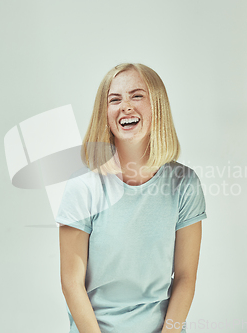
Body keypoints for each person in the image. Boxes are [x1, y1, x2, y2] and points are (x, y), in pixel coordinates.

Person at [56, 63, 207, 333]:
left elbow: (185, 278)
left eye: (137, 96)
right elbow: (71, 283)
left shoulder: (184, 184)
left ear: (157, 106)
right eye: (115, 99)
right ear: (105, 114)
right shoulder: (83, 186)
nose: (125, 106)